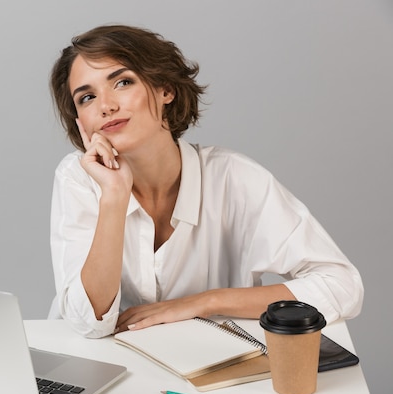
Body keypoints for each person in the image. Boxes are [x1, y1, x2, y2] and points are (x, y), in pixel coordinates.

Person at [47, 24, 363, 338]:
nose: (106, 106)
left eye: (122, 82)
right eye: (87, 97)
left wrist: (206, 302)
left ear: (164, 89)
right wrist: (114, 196)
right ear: (80, 120)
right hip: (100, 366)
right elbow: (90, 322)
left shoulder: (234, 178)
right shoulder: (78, 178)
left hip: (205, 370)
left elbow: (342, 285)